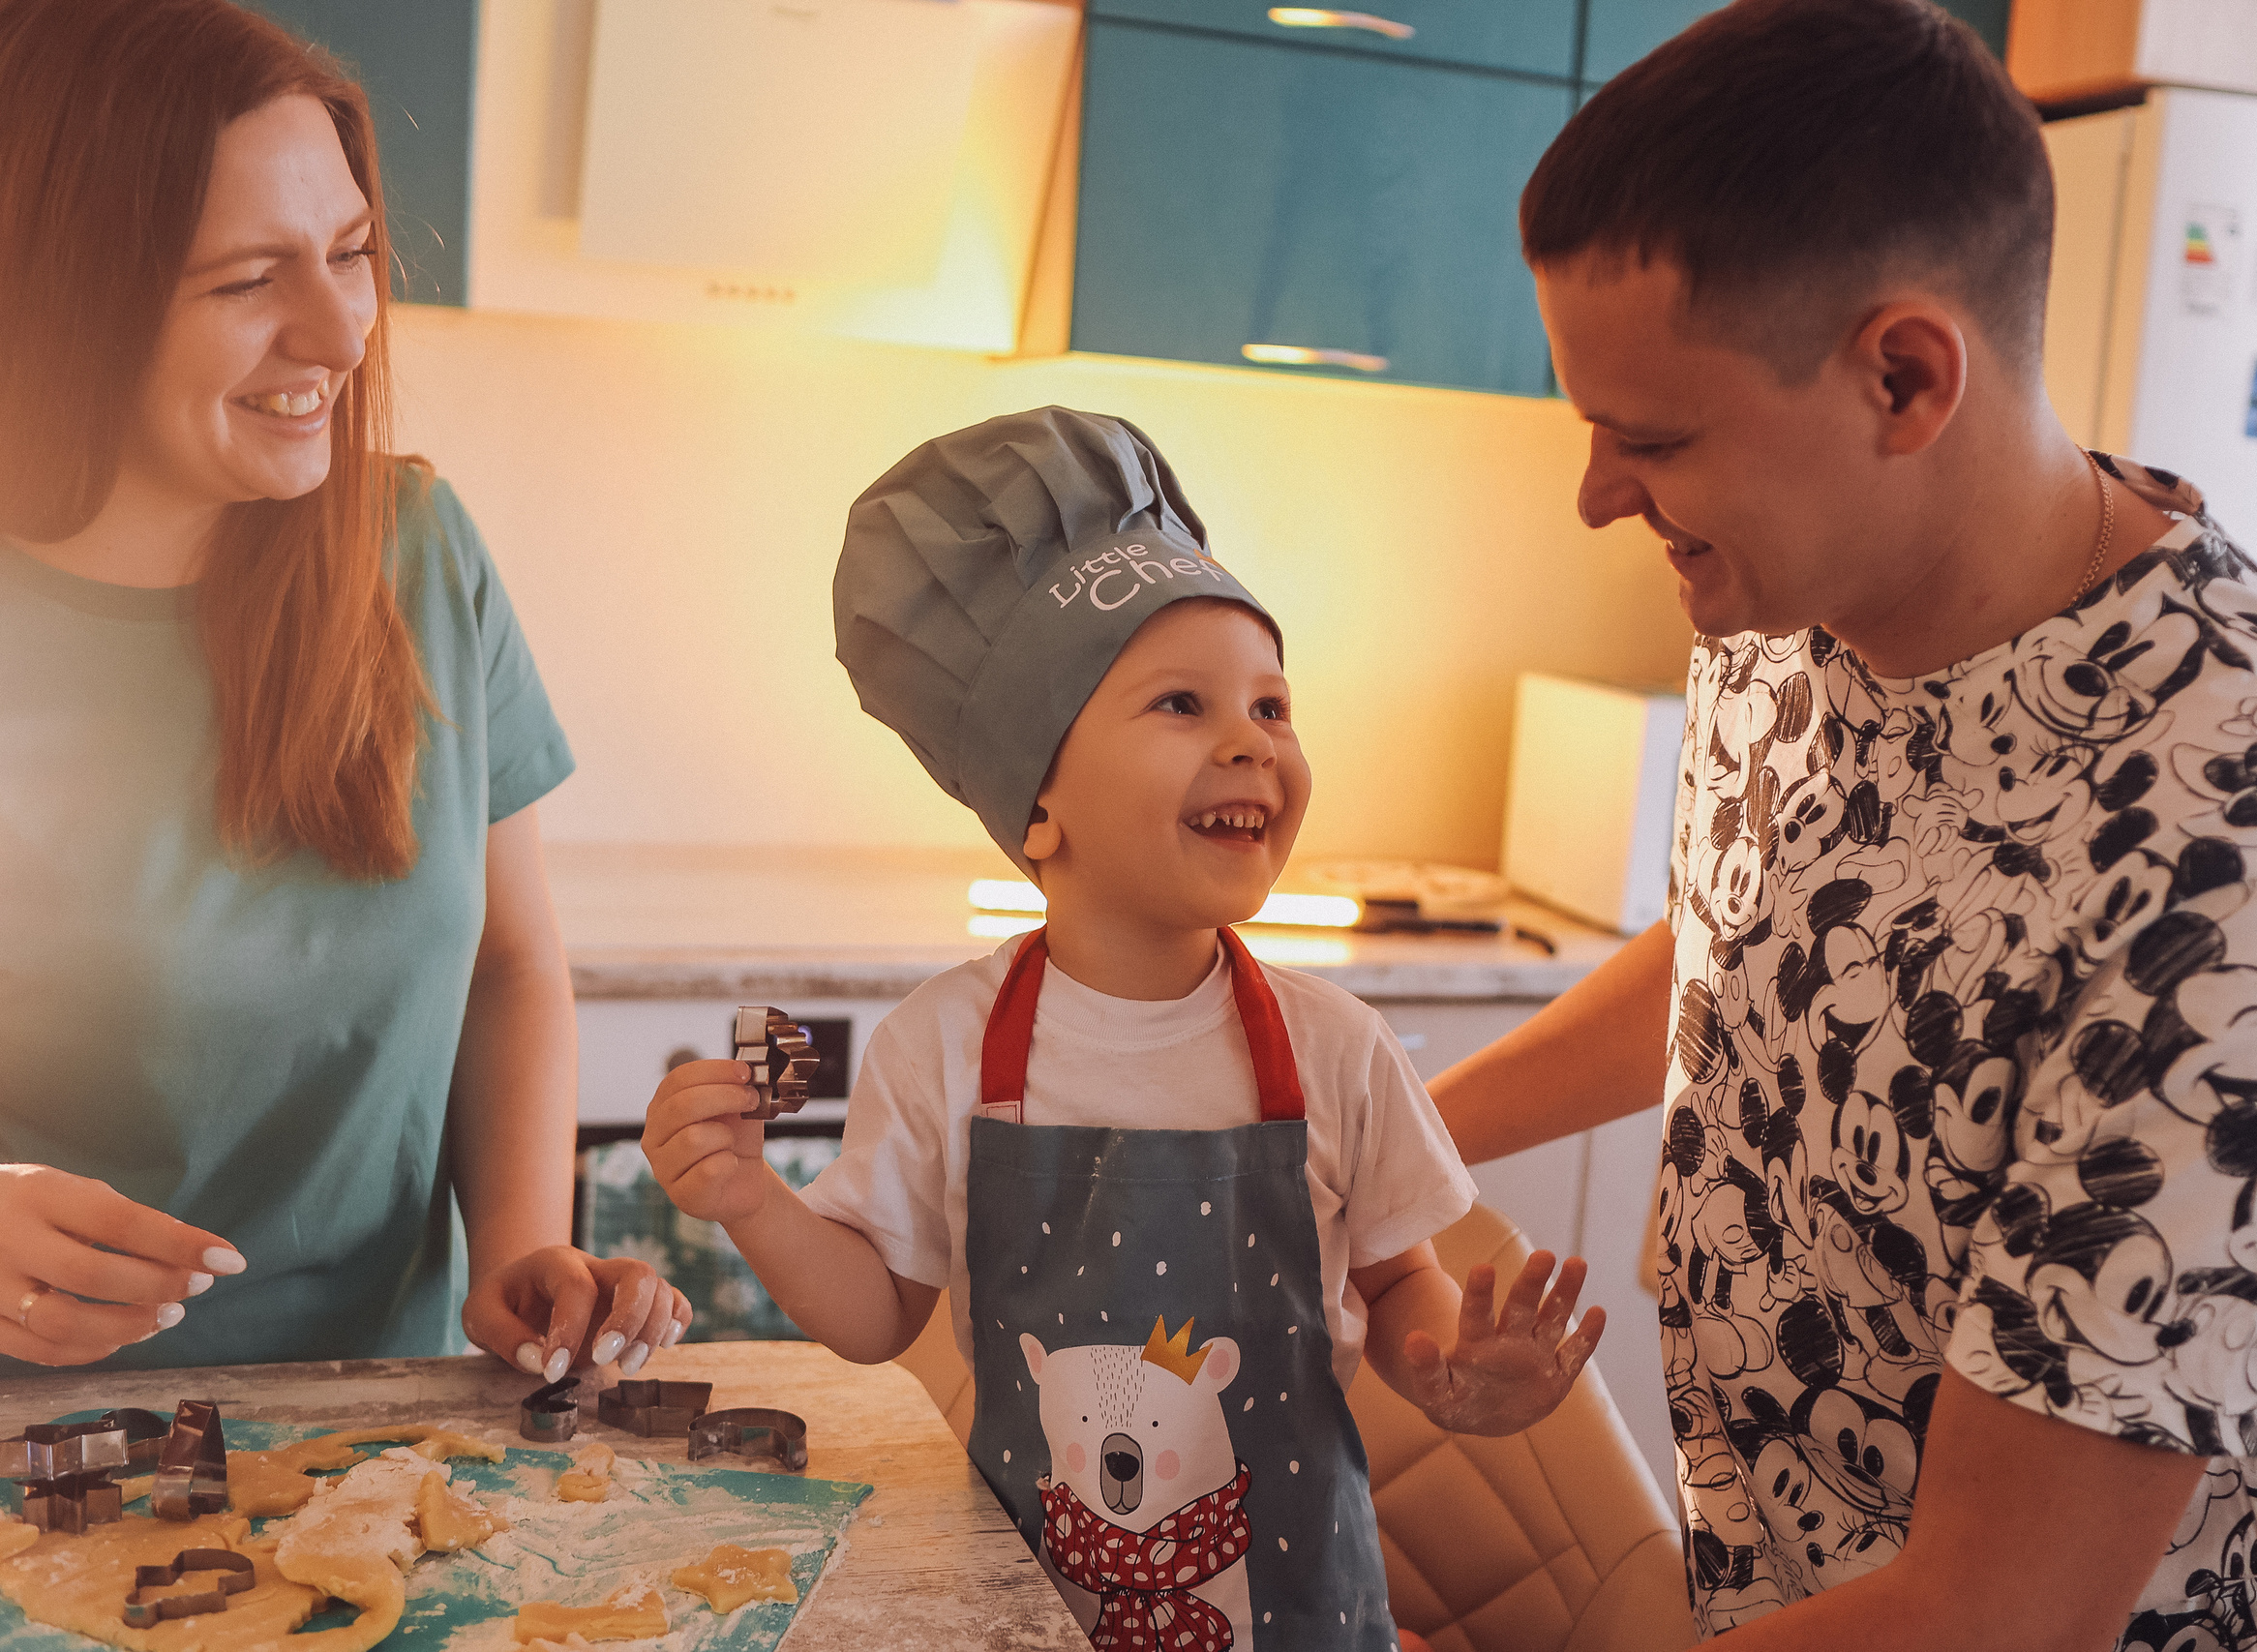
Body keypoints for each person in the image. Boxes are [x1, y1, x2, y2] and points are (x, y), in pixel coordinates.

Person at [1429, 3, 2257, 1649]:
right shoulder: (1792, 613)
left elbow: (1997, 1613)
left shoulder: (2250, 832)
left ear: (1904, 377)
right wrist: (1381, 1133)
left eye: (1656, 435)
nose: (1599, 494)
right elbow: (1746, 940)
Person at [643, 407, 1605, 1648]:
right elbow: (878, 1316)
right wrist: (750, 1200)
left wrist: (1450, 1374)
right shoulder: (944, 1046)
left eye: (1271, 705)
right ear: (1036, 803)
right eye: (1183, 704)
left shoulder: (1338, 1048)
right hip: (1030, 1607)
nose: (1249, 742)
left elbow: (1399, 1277)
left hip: (1293, 1614)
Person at [0, 0, 685, 1379]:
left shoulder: (420, 555)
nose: (341, 330)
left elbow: (509, 961)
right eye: (249, 280)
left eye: (354, 252)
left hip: (384, 1431)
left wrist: (517, 1249)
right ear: (71, 293)